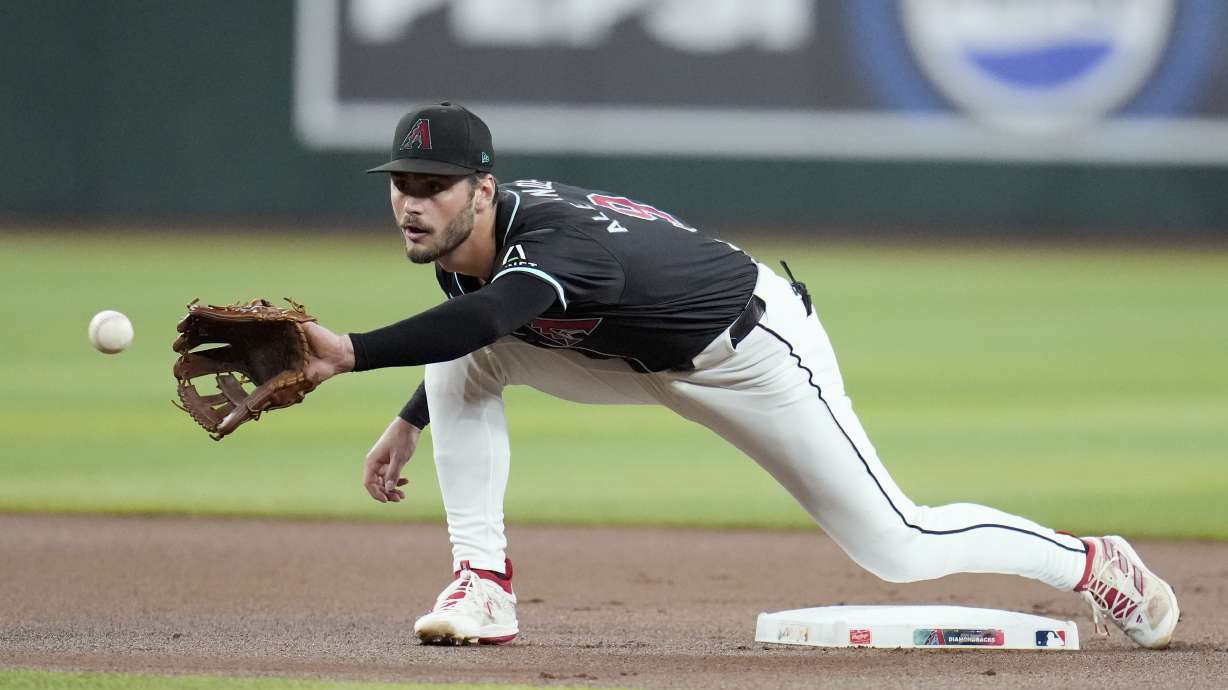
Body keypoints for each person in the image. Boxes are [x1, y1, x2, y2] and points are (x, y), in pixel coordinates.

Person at [301, 102, 1179, 648]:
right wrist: (413, 415)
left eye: (437, 183)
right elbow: (478, 328)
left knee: (898, 546)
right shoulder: (462, 246)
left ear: (483, 190)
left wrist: (349, 351)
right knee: (462, 361)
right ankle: (482, 586)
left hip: (752, 351)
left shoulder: (553, 239)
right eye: (402, 182)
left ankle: (1094, 563)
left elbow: (493, 315)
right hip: (636, 351)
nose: (413, 201)